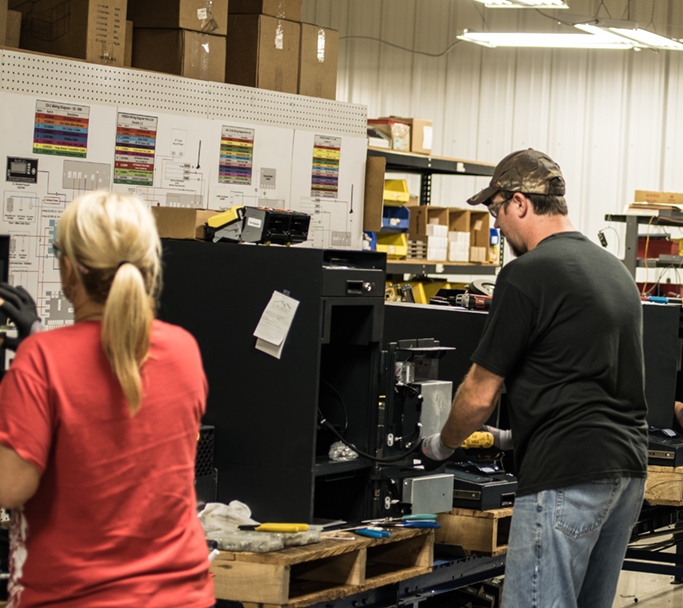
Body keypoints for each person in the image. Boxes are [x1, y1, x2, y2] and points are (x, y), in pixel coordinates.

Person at [422, 149, 648, 608]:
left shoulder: (526, 275)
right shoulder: (615, 272)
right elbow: (588, 381)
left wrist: (440, 445)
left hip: (564, 474)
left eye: (496, 211)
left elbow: (480, 394)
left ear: (520, 203)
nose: (497, 226)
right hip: (625, 472)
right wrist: (508, 438)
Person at [0, 191, 215, 608]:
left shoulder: (41, 360)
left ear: (68, 269)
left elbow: (11, 487)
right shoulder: (183, 350)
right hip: (182, 596)